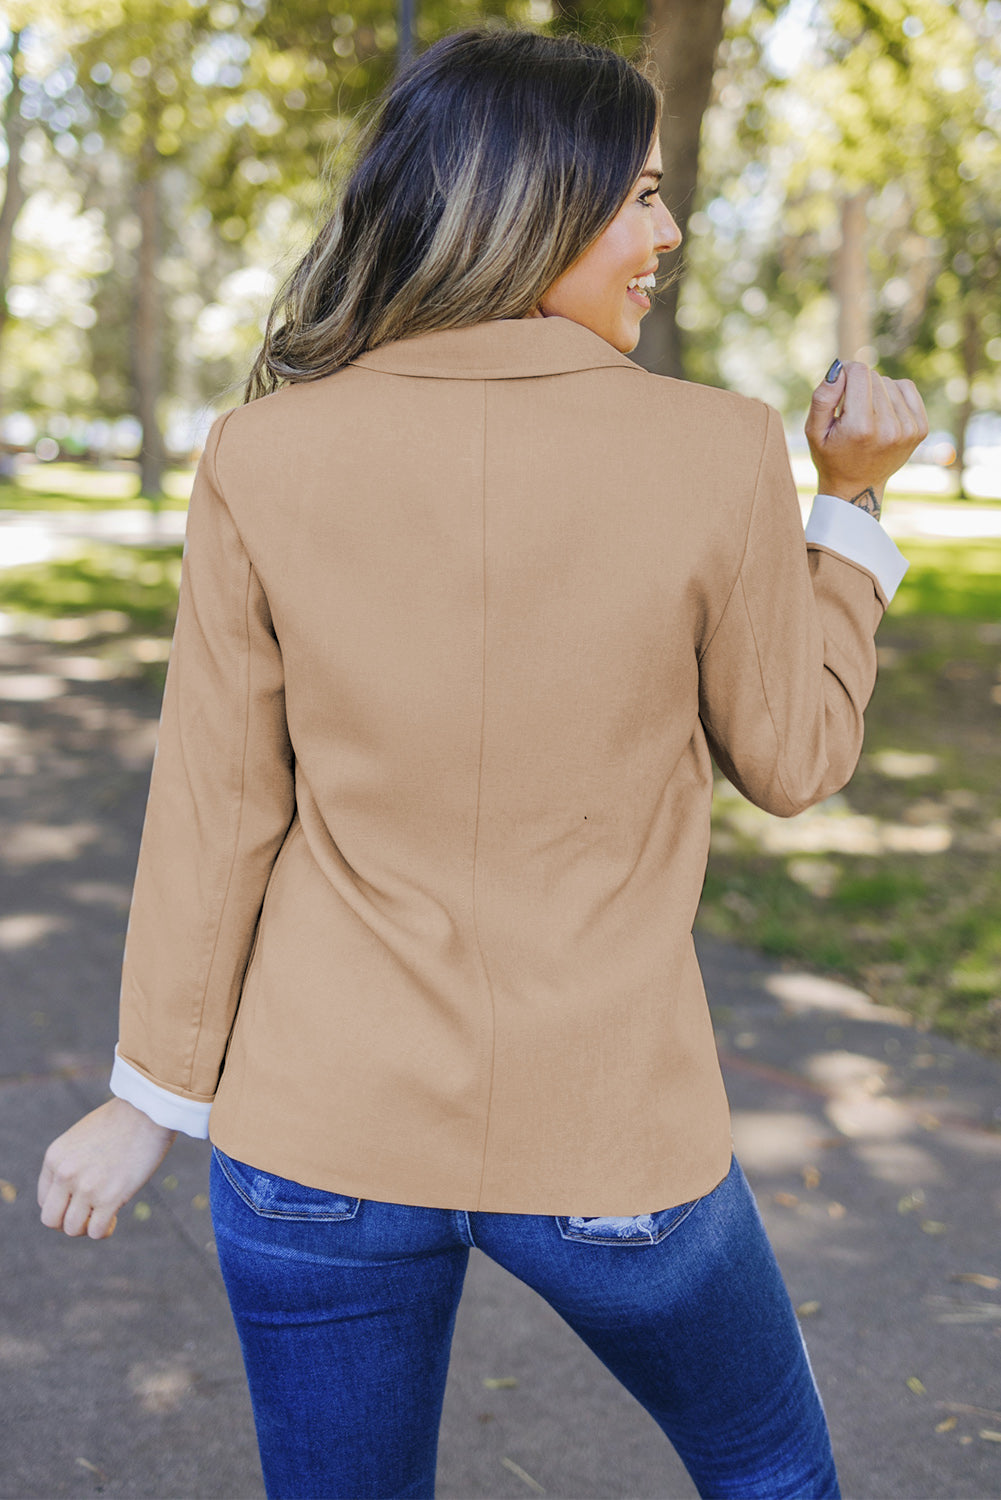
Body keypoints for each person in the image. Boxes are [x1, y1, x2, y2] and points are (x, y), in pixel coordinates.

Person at [37, 25, 927, 1500]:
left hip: (315, 1136)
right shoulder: (718, 448)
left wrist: (152, 1097)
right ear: (537, 198)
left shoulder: (260, 453)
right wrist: (849, 515)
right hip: (612, 1136)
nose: (668, 234)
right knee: (773, 1475)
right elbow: (794, 754)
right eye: (640, 194)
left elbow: (217, 809)